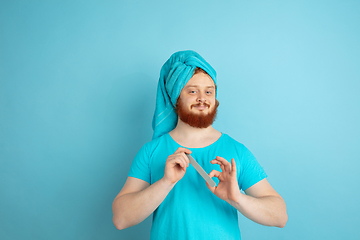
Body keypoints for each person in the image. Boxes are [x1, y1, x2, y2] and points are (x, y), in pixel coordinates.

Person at [112, 50, 288, 239]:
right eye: (193, 91)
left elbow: (279, 216)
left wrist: (237, 198)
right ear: (175, 97)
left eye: (209, 91)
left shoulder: (237, 151)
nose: (202, 99)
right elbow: (121, 219)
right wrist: (165, 182)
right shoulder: (151, 152)